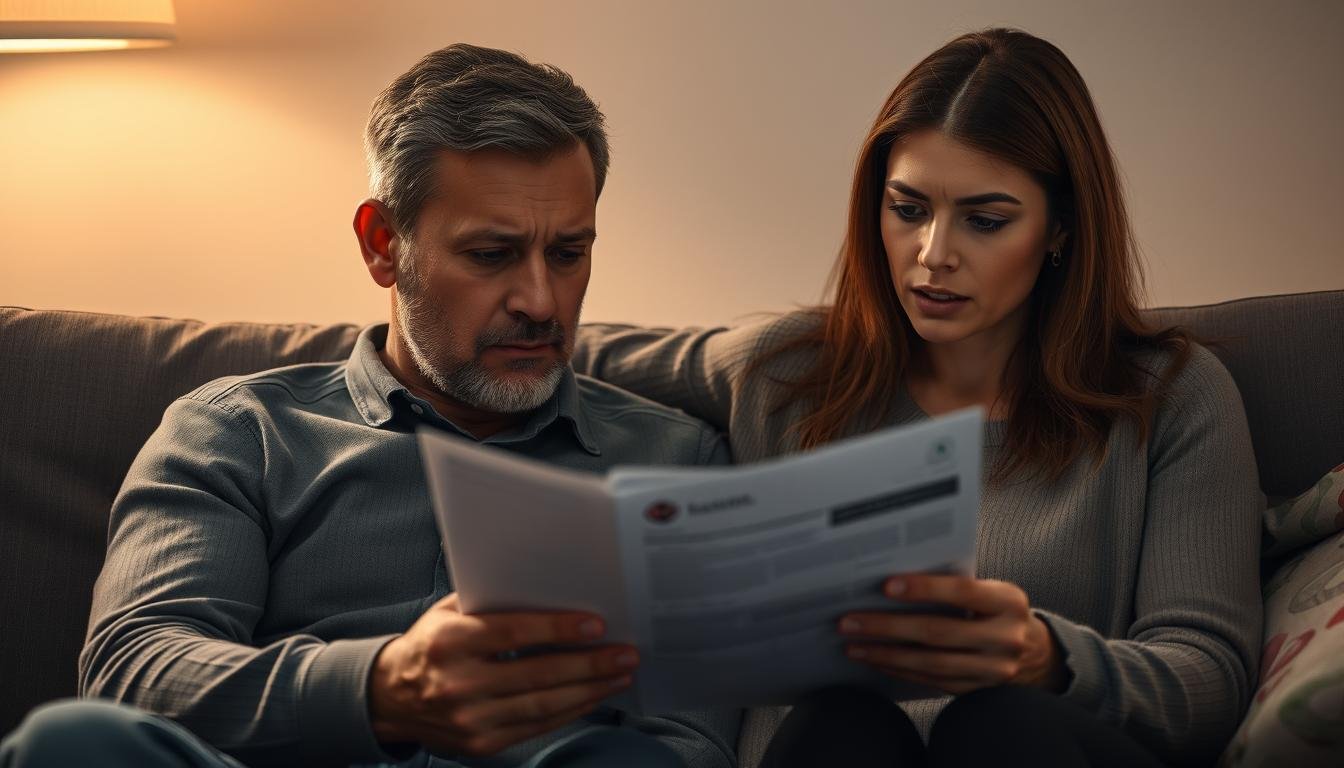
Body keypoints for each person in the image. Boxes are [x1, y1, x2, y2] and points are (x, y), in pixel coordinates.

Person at [0, 45, 740, 768]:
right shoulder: (238, 432)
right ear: (384, 243)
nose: (542, 301)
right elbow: (137, 670)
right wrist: (380, 689)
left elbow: (690, 738)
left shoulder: (673, 460)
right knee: (71, 742)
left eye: (570, 253)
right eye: (492, 254)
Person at [570, 28, 1262, 767]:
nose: (934, 255)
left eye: (985, 220)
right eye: (907, 209)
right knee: (840, 724)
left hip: (1034, 748)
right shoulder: (791, 371)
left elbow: (1211, 679)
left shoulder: (1171, 397)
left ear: (1060, 227)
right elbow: (563, 349)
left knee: (997, 723)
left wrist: (1046, 658)